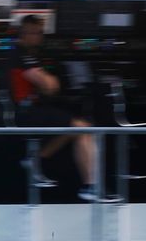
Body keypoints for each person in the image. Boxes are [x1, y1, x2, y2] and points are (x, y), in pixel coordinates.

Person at [9, 15, 109, 203]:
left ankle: (36, 159)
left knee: (77, 126)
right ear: (25, 33)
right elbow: (49, 84)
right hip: (28, 113)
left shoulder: (28, 54)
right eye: (36, 33)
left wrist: (50, 83)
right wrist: (49, 81)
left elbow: (51, 86)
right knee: (85, 129)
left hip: (32, 109)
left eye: (41, 33)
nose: (40, 37)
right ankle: (91, 187)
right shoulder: (21, 54)